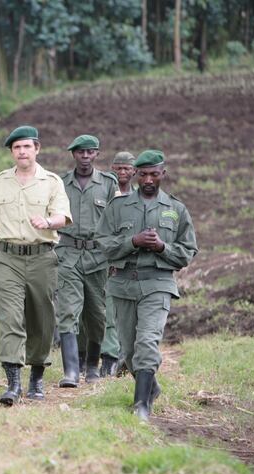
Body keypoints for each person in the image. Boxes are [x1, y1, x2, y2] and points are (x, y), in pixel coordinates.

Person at [95, 150, 198, 421]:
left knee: (147, 342)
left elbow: (187, 252)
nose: (149, 179)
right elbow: (104, 245)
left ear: (163, 173)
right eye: (144, 174)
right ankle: (150, 386)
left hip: (158, 283)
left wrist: (162, 247)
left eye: (154, 174)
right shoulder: (118, 208)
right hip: (123, 284)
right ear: (135, 174)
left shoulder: (176, 209)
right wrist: (133, 242)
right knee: (128, 351)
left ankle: (141, 404)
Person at [0, 125, 72, 405]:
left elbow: (63, 216)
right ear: (11, 152)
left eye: (27, 146)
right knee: (11, 317)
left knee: (42, 319)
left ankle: (37, 376)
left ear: (37, 149)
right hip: (7, 259)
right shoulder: (0, 182)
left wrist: (48, 222)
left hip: (42, 258)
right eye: (17, 147)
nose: (22, 152)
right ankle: (13, 382)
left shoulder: (52, 181)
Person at [55, 135, 118, 387]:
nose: (84, 156)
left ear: (96, 155)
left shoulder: (108, 184)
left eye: (89, 152)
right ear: (73, 155)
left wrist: (117, 256)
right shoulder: (59, 184)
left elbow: (117, 221)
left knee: (96, 315)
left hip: (98, 257)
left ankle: (92, 366)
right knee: (68, 312)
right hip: (67, 254)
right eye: (80, 152)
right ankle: (71, 371)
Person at [100, 151, 137, 377]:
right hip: (98, 258)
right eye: (118, 168)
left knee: (121, 313)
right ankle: (105, 357)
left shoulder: (138, 197)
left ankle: (119, 359)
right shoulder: (104, 192)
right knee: (100, 313)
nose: (122, 172)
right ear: (112, 169)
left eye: (127, 169)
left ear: (134, 171)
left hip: (123, 263)